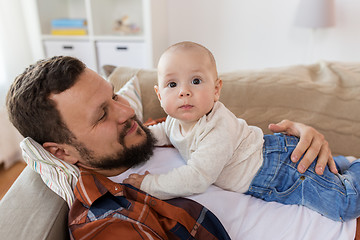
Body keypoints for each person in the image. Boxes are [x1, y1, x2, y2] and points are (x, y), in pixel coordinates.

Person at [6, 56, 337, 239]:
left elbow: (234, 139)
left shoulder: (151, 131)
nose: (126, 112)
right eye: (102, 114)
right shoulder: (108, 219)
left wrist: (301, 136)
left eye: (114, 96)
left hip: (330, 184)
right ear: (62, 152)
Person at [124, 41, 360, 222]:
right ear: (159, 95)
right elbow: (159, 132)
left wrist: (149, 184)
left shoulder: (217, 127)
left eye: (196, 81)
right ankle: (341, 164)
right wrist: (132, 136)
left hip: (278, 169)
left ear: (216, 90)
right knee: (331, 179)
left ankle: (354, 166)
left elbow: (196, 178)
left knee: (345, 205)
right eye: (172, 84)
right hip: (267, 167)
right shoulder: (174, 122)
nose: (184, 91)